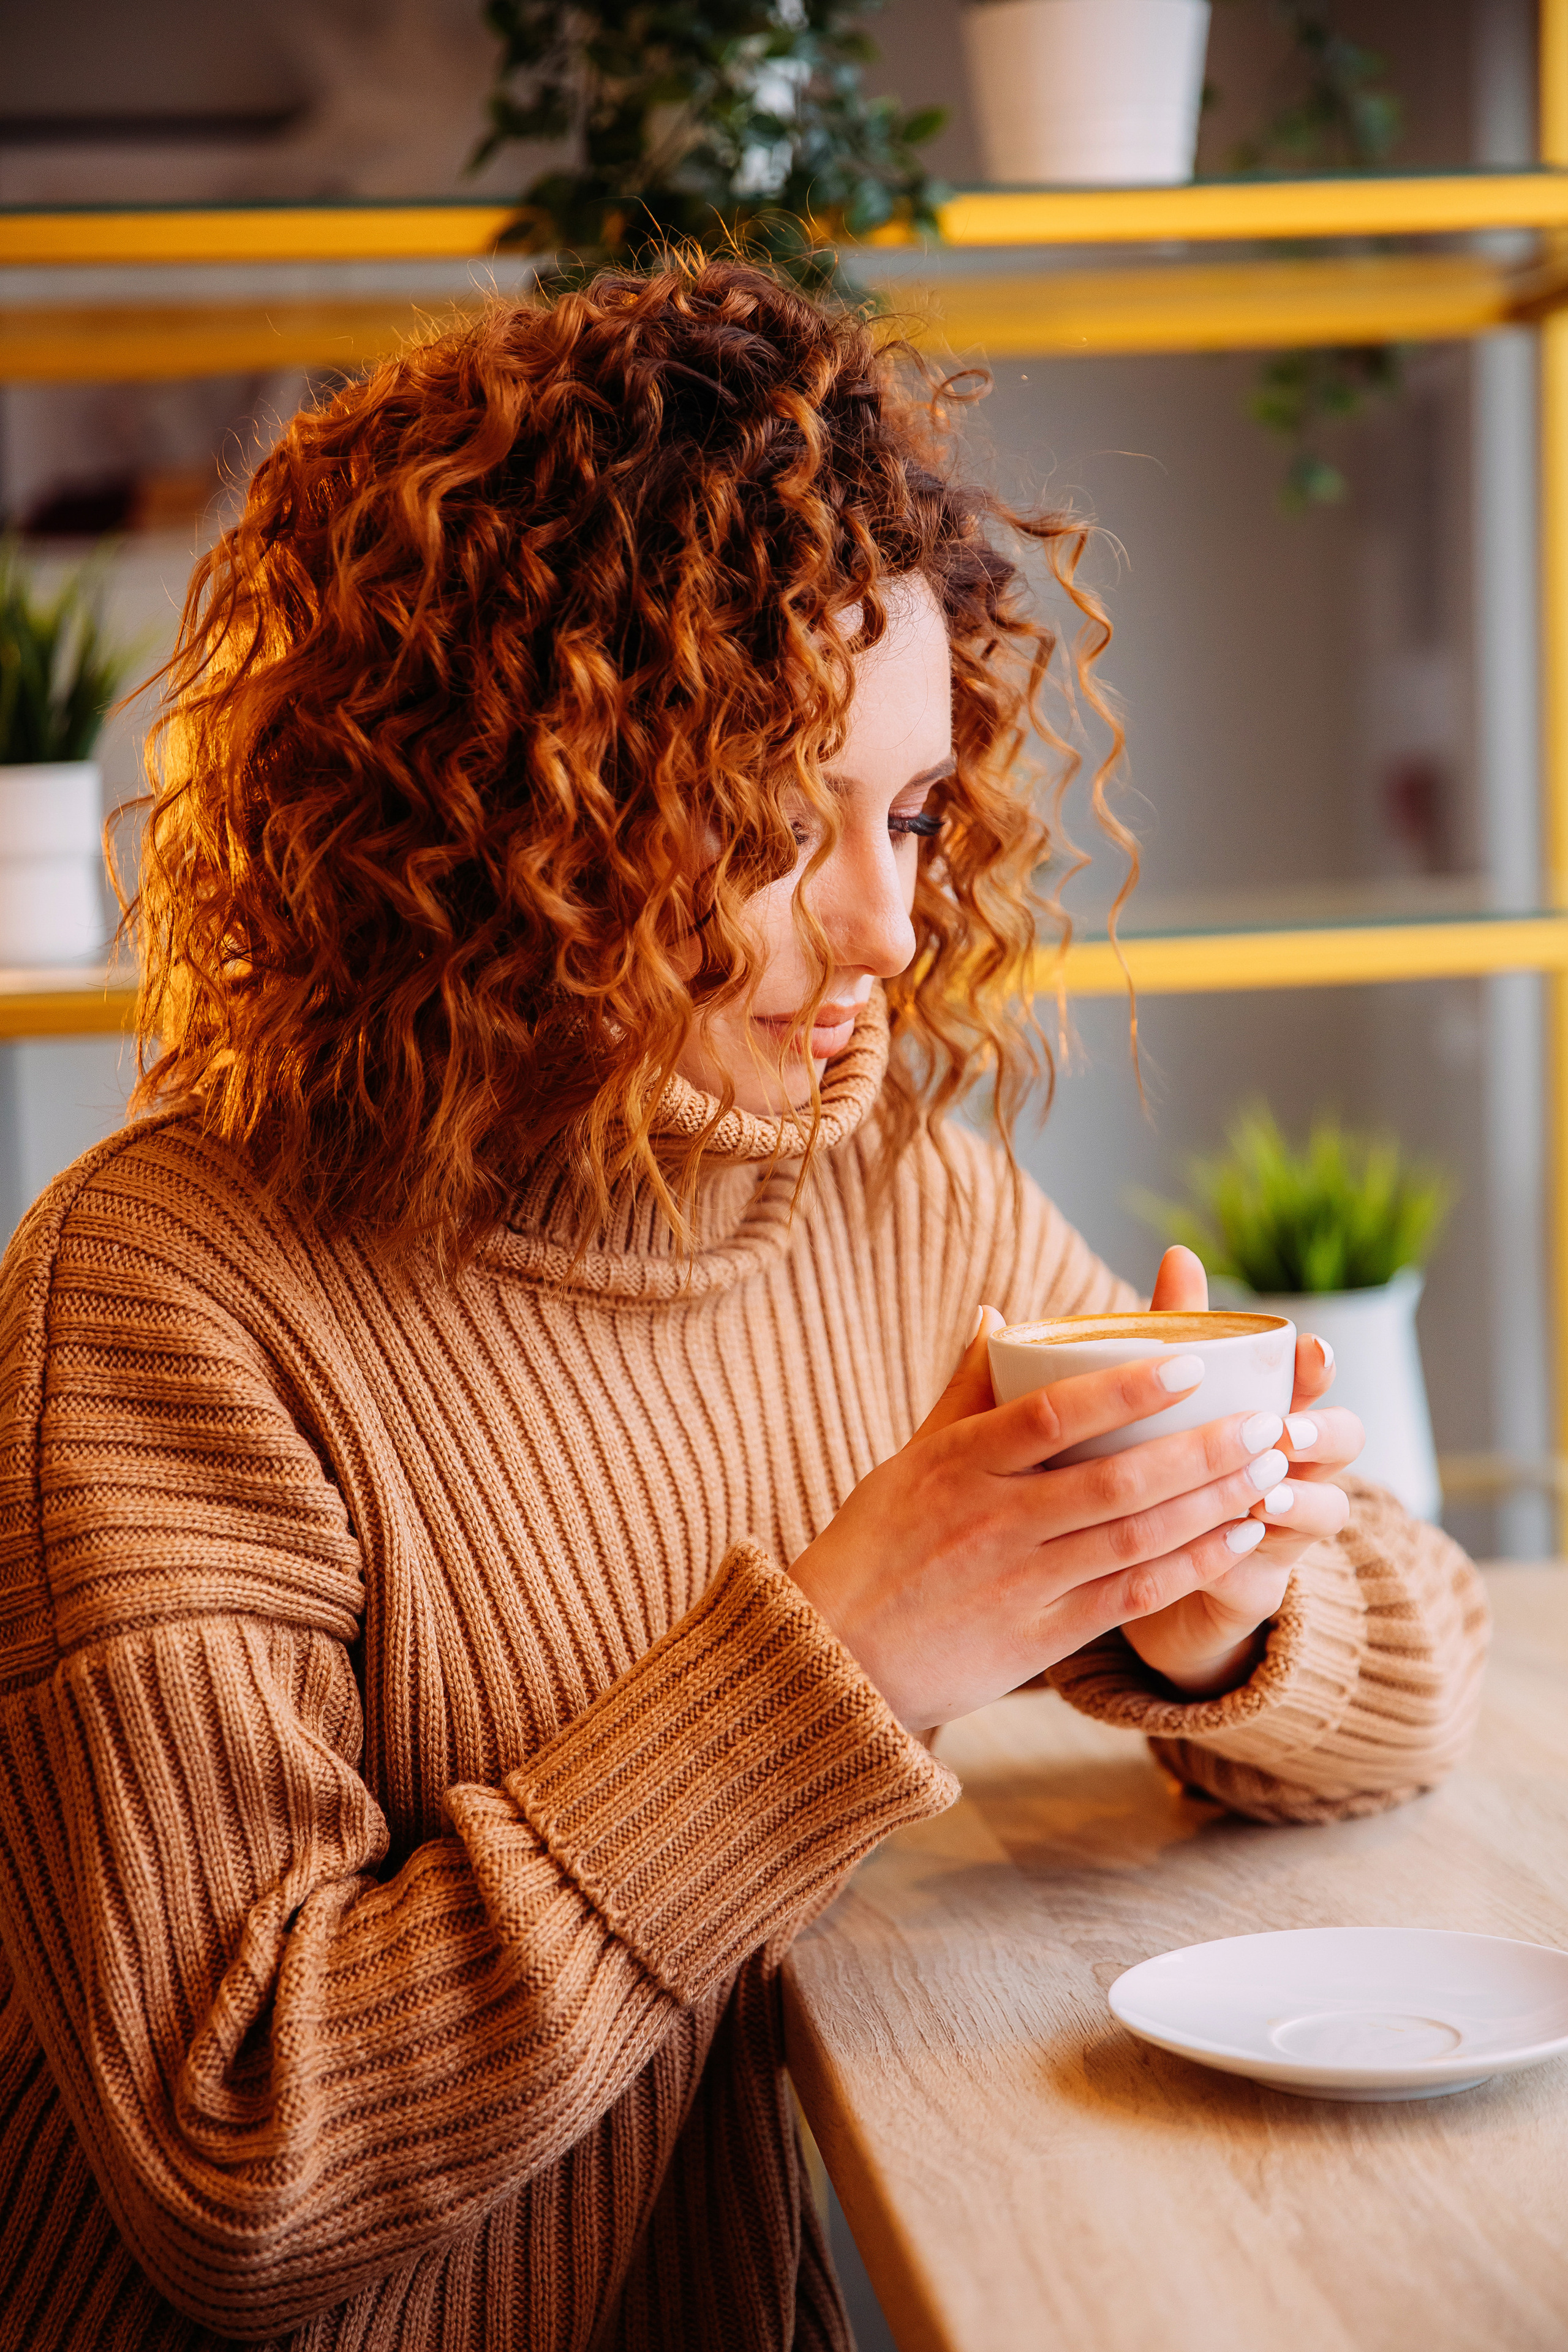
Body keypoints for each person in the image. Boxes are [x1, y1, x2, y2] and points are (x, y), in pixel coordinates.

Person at [0, 258, 1487, 2352]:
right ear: (519, 808)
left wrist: (1220, 1612)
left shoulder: (891, 1202)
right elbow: (250, 2159)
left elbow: (1430, 1661)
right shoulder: (161, 1300)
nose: (889, 922)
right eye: (787, 827)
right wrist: (854, 1650)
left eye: (906, 812)